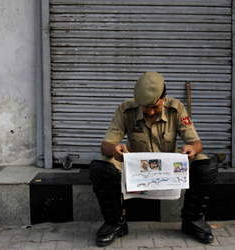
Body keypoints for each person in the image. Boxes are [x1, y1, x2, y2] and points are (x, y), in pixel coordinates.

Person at [89, 71, 218, 247]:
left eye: (154, 107)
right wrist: (115, 149)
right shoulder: (126, 109)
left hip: (169, 166)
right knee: (101, 168)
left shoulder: (177, 108)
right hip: (135, 167)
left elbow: (196, 142)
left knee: (205, 167)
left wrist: (191, 149)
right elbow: (105, 145)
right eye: (145, 107)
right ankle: (115, 223)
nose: (149, 112)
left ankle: (192, 221)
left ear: (164, 96)